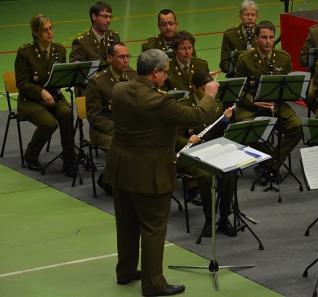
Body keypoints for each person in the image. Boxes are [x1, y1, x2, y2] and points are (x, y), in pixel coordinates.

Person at [102, 49, 220, 296]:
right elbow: (198, 115)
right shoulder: (160, 102)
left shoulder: (120, 89)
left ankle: (125, 271)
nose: (167, 77)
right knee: (154, 228)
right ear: (155, 72)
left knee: (126, 225)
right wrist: (209, 94)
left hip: (121, 169)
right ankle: (154, 284)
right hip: (149, 173)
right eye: (165, 72)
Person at [234, 20, 302, 183]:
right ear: (256, 38)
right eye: (264, 37)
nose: (268, 41)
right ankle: (270, 165)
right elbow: (238, 90)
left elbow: (288, 87)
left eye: (271, 37)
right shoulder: (245, 59)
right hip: (251, 107)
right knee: (248, 128)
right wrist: (254, 102)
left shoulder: (283, 58)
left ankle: (269, 165)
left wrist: (280, 97)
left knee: (297, 128)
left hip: (276, 105)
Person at [176, 70, 237, 237]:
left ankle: (224, 218)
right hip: (188, 154)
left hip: (210, 151)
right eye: (204, 89)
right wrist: (187, 140)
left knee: (229, 172)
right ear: (193, 88)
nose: (208, 93)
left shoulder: (216, 104)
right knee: (205, 175)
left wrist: (226, 121)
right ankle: (209, 220)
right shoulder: (182, 105)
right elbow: (174, 137)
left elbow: (219, 135)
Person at [15, 15, 75, 177]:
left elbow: (60, 77)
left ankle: (69, 160)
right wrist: (40, 91)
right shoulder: (25, 52)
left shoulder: (59, 50)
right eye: (45, 30)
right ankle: (31, 155)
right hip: (30, 100)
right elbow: (22, 83)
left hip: (54, 97)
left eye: (51, 28)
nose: (50, 33)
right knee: (49, 123)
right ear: (36, 33)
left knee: (67, 113)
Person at [85, 42, 136, 195]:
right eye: (121, 57)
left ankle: (107, 178)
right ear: (110, 59)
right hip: (104, 130)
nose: (126, 60)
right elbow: (94, 116)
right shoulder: (97, 82)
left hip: (129, 127)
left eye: (127, 56)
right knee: (122, 151)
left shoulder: (133, 77)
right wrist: (119, 130)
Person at [70, 2, 120, 76]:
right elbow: (78, 73)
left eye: (110, 17)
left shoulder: (114, 37)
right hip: (93, 85)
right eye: (105, 16)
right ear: (94, 16)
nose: (108, 20)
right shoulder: (82, 43)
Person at [219, 0, 258, 76]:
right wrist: (239, 69)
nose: (250, 18)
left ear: (257, 16)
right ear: (240, 16)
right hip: (237, 77)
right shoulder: (230, 35)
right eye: (246, 15)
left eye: (253, 14)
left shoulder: (264, 33)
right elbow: (224, 64)